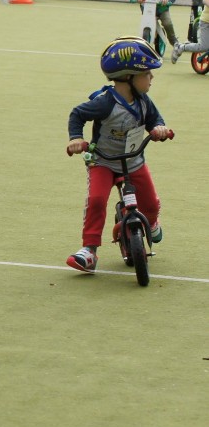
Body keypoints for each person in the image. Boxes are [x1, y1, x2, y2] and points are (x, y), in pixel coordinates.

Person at [65, 37, 170, 273]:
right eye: (147, 74)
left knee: (150, 203)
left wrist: (159, 129)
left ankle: (151, 221)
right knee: (97, 200)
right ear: (128, 77)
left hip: (133, 161)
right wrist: (75, 138)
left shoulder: (144, 102)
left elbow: (155, 120)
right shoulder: (105, 103)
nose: (151, 78)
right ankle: (89, 251)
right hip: (103, 162)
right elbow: (77, 114)